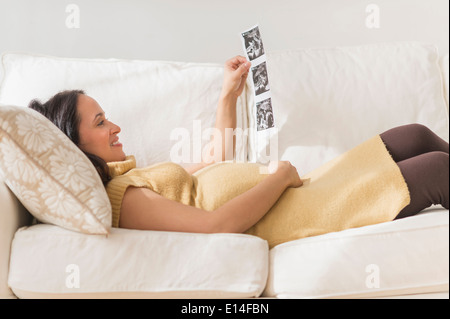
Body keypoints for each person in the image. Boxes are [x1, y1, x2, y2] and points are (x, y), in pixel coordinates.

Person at [28, 56, 449, 247]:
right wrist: (280, 177)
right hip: (295, 211)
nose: (115, 126)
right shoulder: (125, 200)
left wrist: (228, 97)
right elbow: (217, 226)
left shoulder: (131, 180)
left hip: (301, 188)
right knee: (436, 171)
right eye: (100, 122)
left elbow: (214, 160)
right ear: (73, 145)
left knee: (413, 135)